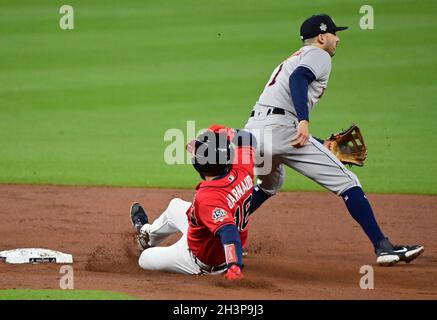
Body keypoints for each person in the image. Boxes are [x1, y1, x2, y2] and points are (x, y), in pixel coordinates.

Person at [244, 14, 424, 266]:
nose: (337, 39)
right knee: (349, 182)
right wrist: (304, 122)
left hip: (256, 131)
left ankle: (218, 231)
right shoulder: (319, 55)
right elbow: (298, 80)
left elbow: (285, 98)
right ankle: (383, 247)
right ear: (321, 37)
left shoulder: (292, 58)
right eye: (334, 34)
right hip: (282, 129)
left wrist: (318, 140)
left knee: (268, 185)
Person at [130, 125, 256, 279]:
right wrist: (226, 133)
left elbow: (229, 231)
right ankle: (146, 236)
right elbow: (248, 138)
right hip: (209, 233)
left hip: (202, 260)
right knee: (175, 205)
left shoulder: (209, 197)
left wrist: (234, 266)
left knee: (145, 258)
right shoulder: (242, 168)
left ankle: (148, 245)